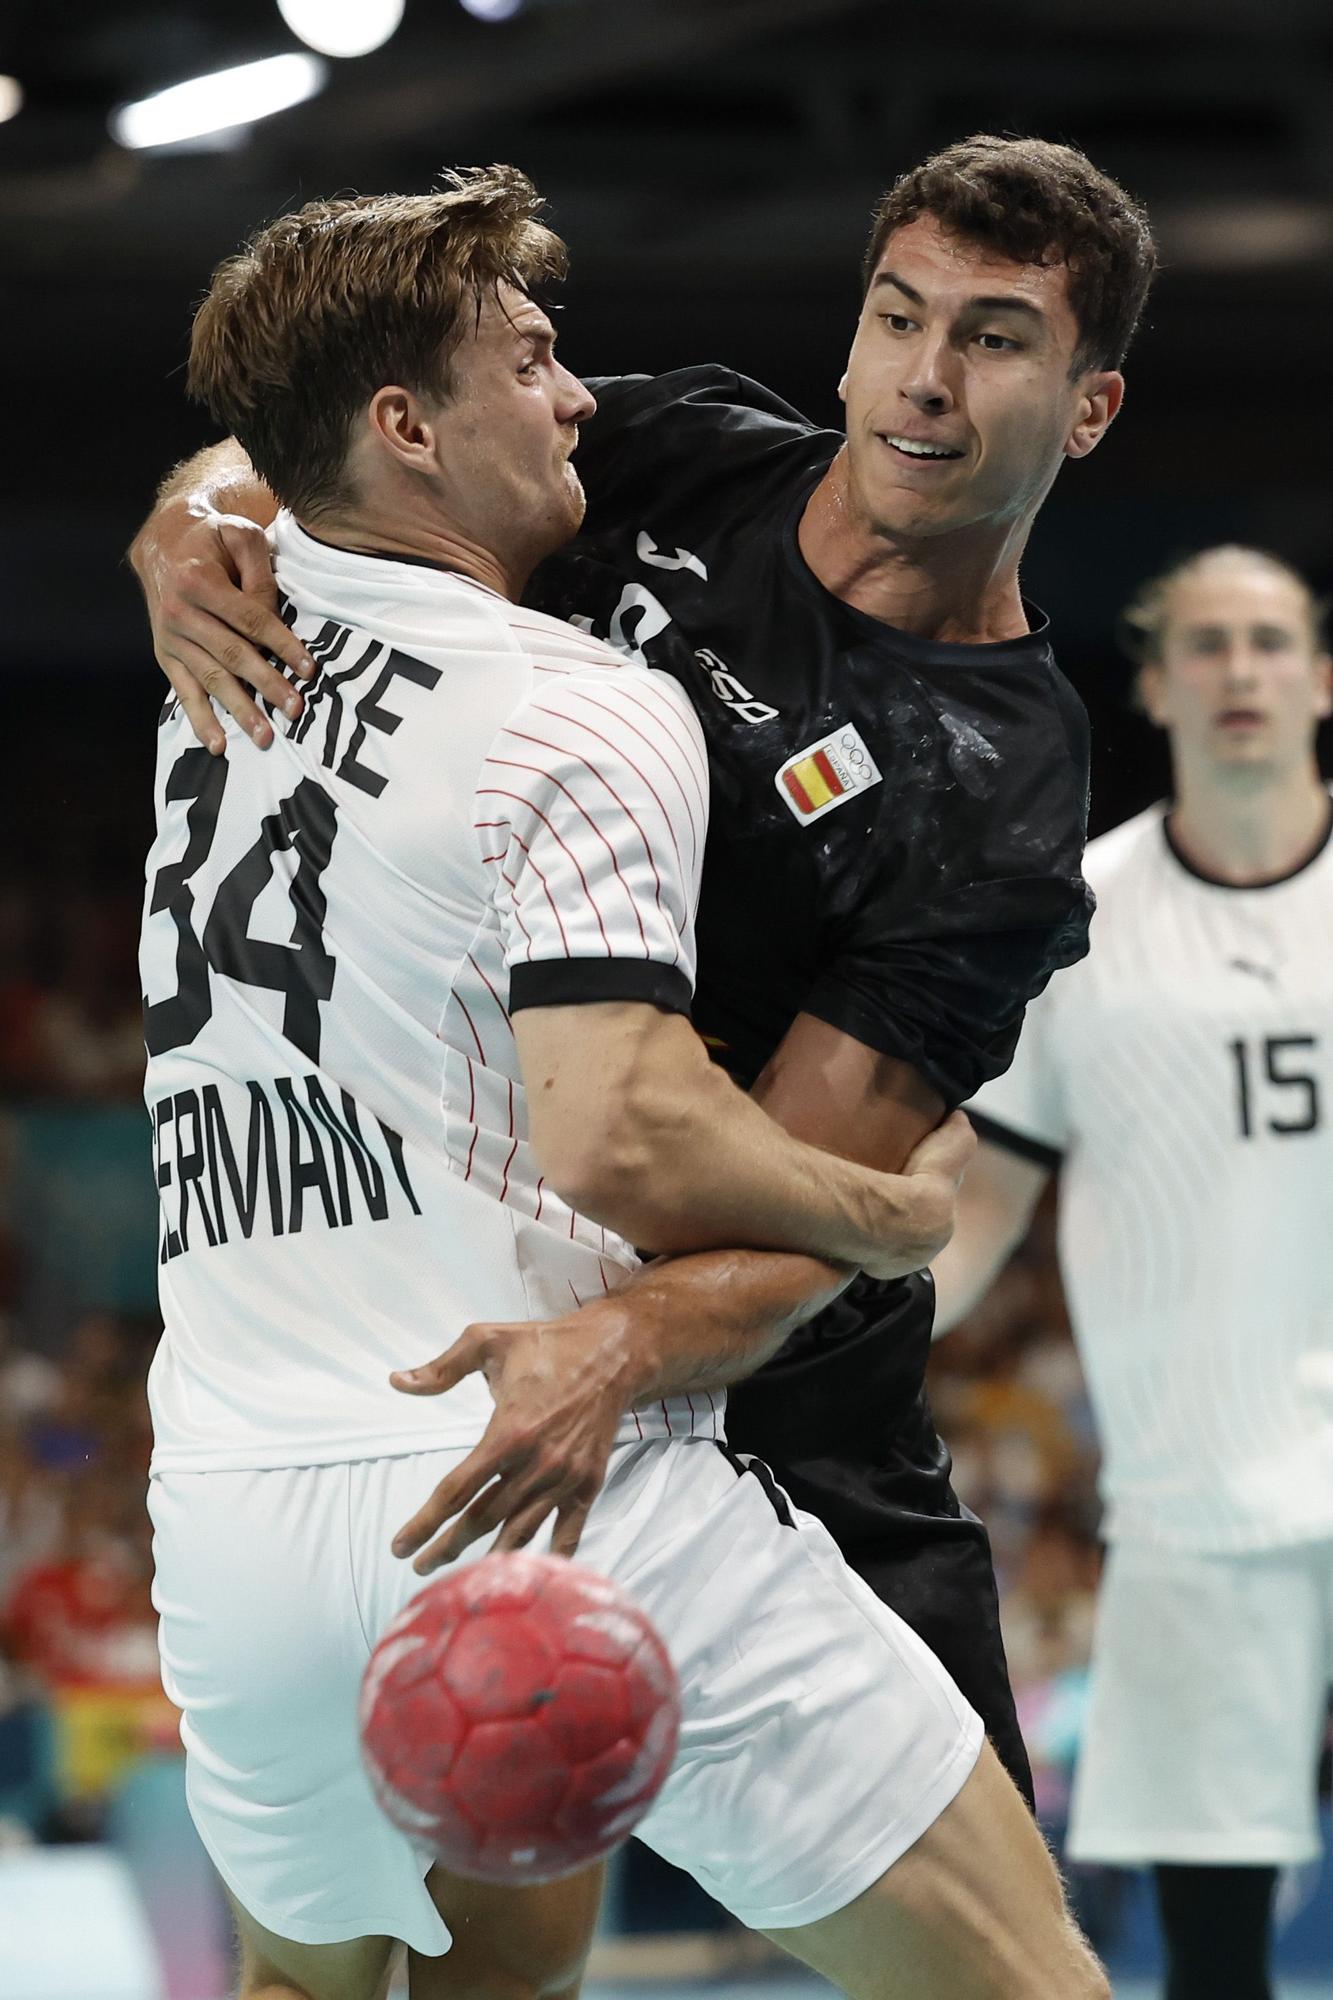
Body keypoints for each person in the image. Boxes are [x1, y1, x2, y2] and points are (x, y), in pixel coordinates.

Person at [142, 168, 1107, 2000]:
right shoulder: (640, 528)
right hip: (519, 1401)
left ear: (1087, 403)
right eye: (896, 316)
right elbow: (654, 1143)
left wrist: (637, 1338)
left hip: (688, 1403)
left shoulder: (998, 791)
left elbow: (742, 1227)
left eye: (992, 342)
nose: (921, 378)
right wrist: (187, 523)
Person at [931, 545, 1333, 2000]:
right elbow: (980, 1212)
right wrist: (831, 1341)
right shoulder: (1076, 921)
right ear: (1154, 685)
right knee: (1212, 1961)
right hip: (1197, 1506)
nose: (1240, 671)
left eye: (1268, 643)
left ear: (1318, 679)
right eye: (1207, 647)